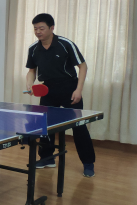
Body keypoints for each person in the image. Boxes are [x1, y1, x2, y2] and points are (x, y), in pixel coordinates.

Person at [25, 13, 96, 178]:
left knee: (79, 126)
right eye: (35, 28)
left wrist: (78, 90)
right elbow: (32, 70)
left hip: (69, 88)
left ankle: (88, 163)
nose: (38, 31)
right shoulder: (33, 49)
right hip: (48, 89)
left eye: (41, 28)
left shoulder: (65, 44)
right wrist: (29, 84)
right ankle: (47, 158)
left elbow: (83, 66)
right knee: (45, 125)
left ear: (52, 28)